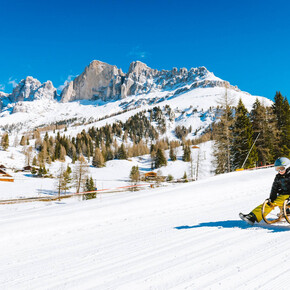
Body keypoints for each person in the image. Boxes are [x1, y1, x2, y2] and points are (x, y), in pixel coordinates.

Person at [239, 157, 290, 225]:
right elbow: (274, 188)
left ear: (287, 167)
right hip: (283, 195)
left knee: (276, 202)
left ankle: (252, 217)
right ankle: (252, 216)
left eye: (282, 168)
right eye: (277, 169)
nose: (280, 171)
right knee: (271, 202)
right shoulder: (278, 177)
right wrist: (272, 198)